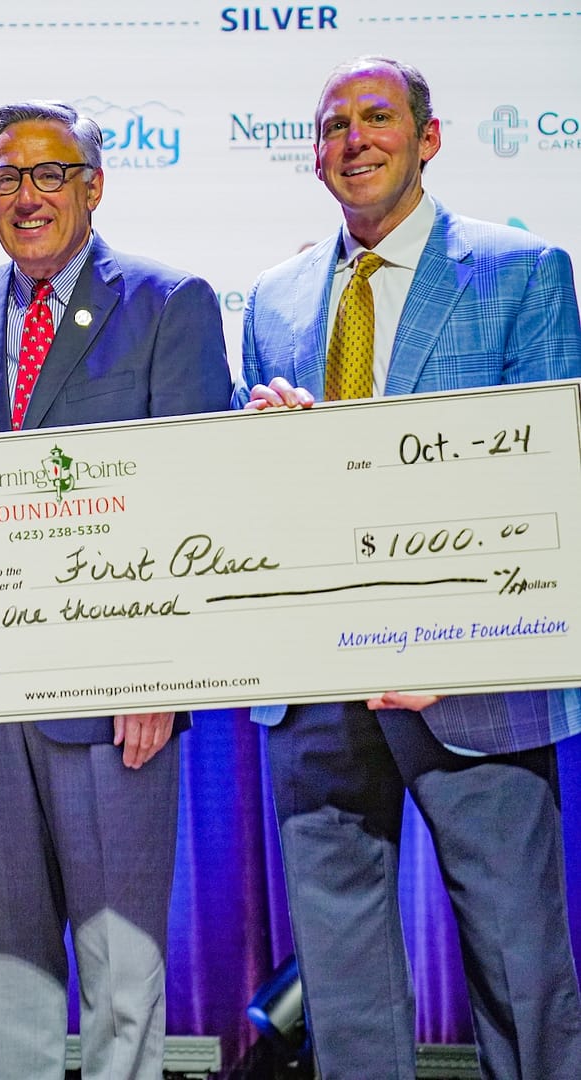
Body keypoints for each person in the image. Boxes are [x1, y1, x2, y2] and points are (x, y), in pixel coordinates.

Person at [240, 55, 581, 1078]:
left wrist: (472, 648)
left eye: (377, 117)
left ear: (427, 139)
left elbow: (548, 486)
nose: (354, 139)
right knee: (342, 982)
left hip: (470, 680)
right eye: (334, 123)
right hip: (315, 684)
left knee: (521, 962)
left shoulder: (522, 272)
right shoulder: (275, 297)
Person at [0, 100, 232, 1080]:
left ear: (95, 185)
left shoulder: (168, 302)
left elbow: (196, 494)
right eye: (6, 177)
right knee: (0, 962)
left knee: (120, 965)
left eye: (50, 173)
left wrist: (163, 673)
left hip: (115, 691)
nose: (26, 195)